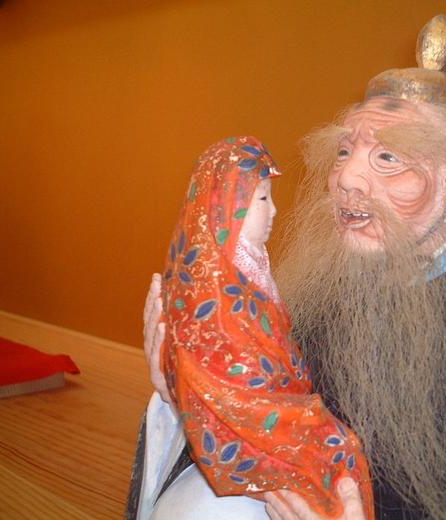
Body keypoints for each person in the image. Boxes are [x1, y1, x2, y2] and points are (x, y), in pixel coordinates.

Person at [140, 15, 446, 519]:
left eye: (388, 158)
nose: (346, 178)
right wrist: (189, 390)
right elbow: (261, 421)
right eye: (344, 151)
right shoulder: (314, 292)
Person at [127, 136, 373, 520]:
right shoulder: (214, 282)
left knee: (338, 450)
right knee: (338, 450)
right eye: (262, 199)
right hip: (244, 421)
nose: (274, 210)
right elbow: (230, 378)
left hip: (270, 408)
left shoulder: (251, 265)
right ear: (228, 206)